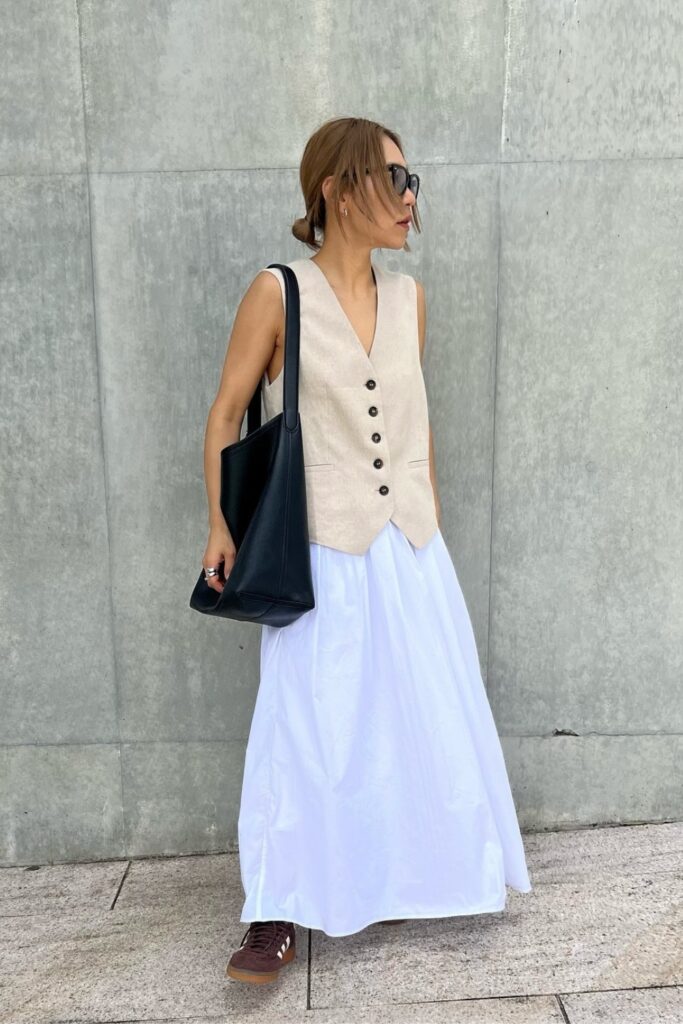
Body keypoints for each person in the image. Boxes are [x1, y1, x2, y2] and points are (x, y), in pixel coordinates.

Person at [200, 116, 532, 986]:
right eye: (394, 177)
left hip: (411, 542)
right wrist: (220, 525)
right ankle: (273, 909)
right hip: (320, 545)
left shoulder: (411, 298)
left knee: (414, 719)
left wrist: (429, 523)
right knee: (302, 729)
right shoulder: (278, 292)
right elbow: (226, 411)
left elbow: (413, 426)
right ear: (338, 190)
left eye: (411, 177)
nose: (410, 195)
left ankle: (405, 874)